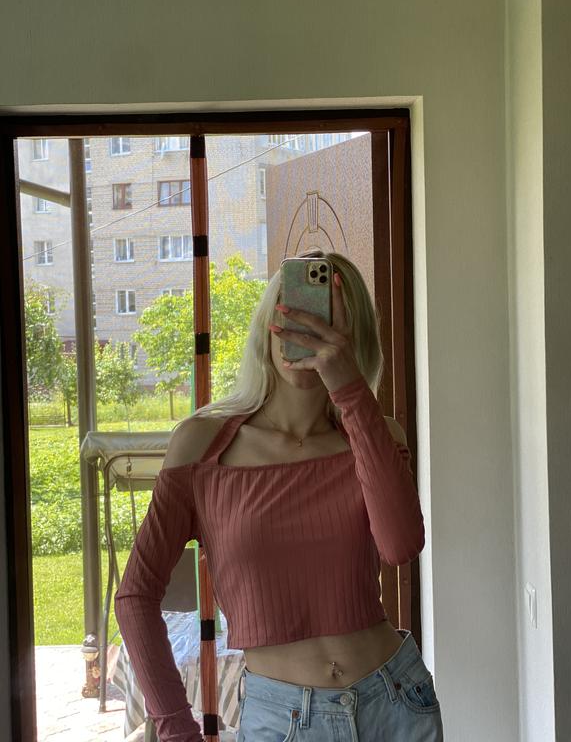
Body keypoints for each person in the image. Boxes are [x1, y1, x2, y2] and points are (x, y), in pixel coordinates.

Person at [114, 249, 444, 741]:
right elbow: (136, 596)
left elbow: (401, 546)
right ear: (268, 324)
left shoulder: (376, 436)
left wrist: (351, 390)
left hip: (395, 704)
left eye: (327, 319)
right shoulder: (203, 447)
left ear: (354, 339)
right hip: (281, 718)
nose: (306, 331)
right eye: (294, 312)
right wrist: (177, 729)